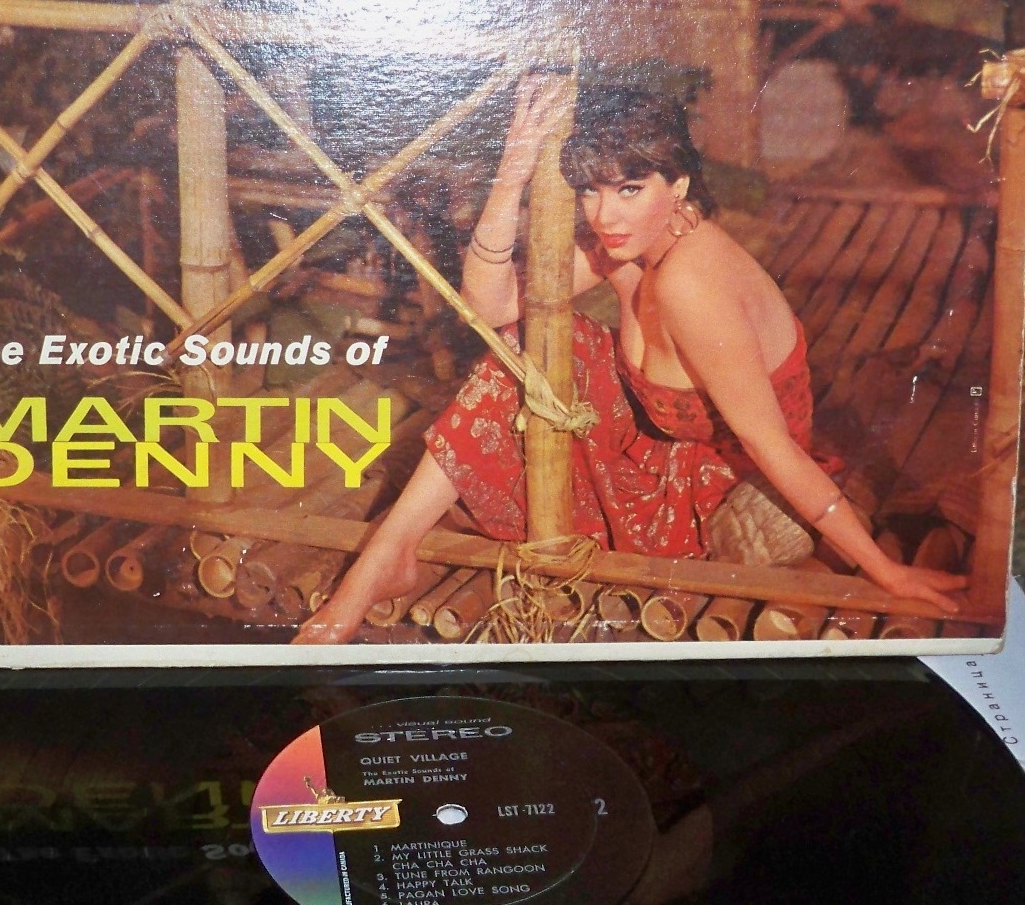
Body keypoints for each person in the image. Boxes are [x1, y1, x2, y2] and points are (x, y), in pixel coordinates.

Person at [294, 78, 967, 644]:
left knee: (530, 358)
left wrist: (884, 569)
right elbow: (490, 306)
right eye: (590, 190)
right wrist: (512, 173)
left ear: (677, 184)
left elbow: (773, 447)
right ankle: (390, 551)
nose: (604, 214)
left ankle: (385, 553)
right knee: (529, 345)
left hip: (710, 490)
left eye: (629, 188)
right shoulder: (630, 243)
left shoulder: (692, 282)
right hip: (654, 448)